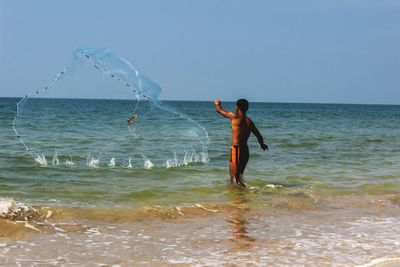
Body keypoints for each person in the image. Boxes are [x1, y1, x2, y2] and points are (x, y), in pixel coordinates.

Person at [215, 99, 268, 187]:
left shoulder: (234, 117)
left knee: (234, 178)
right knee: (239, 176)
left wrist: (218, 104)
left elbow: (219, 110)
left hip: (236, 150)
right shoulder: (249, 122)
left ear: (237, 107)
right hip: (245, 151)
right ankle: (241, 196)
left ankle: (244, 193)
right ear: (247, 108)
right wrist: (262, 145)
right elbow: (258, 135)